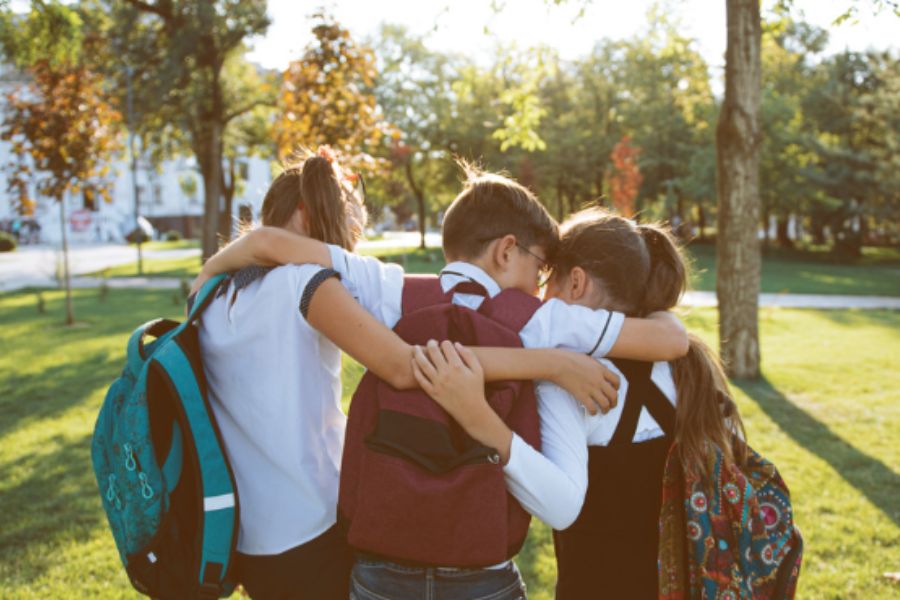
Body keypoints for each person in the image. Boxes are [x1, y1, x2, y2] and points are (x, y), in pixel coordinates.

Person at [195, 167, 689, 599]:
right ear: (507, 250)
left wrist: (213, 268)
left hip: (377, 559)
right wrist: (552, 363)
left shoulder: (392, 290)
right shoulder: (545, 322)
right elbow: (670, 341)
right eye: (540, 267)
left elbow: (265, 243)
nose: (539, 285)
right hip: (479, 561)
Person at [410, 208, 743, 599]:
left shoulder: (572, 380)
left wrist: (478, 419)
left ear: (576, 283)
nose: (538, 294)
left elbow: (558, 504)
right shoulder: (688, 369)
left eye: (546, 279)